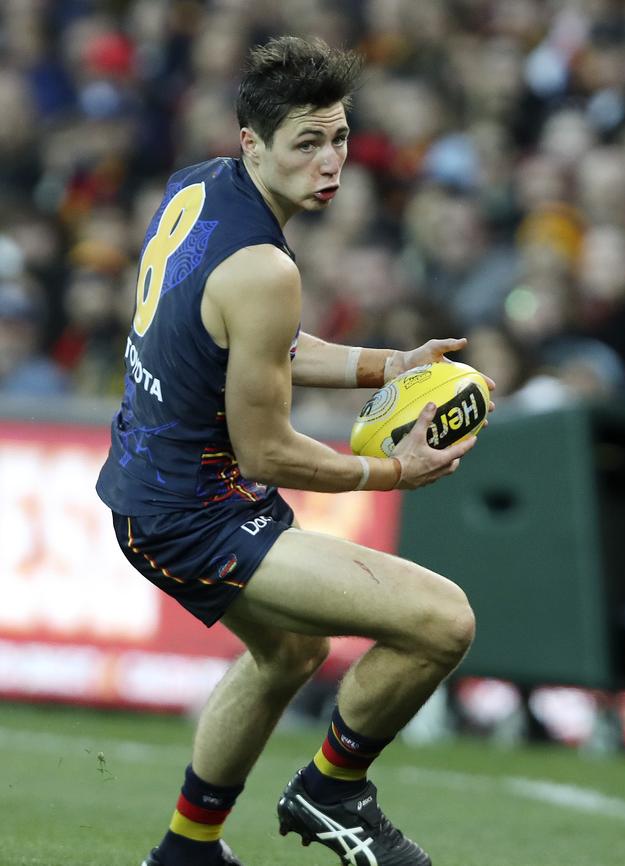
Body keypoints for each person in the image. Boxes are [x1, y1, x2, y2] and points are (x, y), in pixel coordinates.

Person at [96, 36, 494, 866]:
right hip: (193, 510)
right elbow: (269, 450)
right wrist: (392, 472)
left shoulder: (199, 187)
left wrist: (388, 364)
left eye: (340, 138)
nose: (330, 162)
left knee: (290, 651)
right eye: (307, 143)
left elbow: (256, 345)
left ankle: (187, 851)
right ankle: (331, 790)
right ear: (254, 143)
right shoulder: (264, 267)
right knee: (441, 622)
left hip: (151, 485)